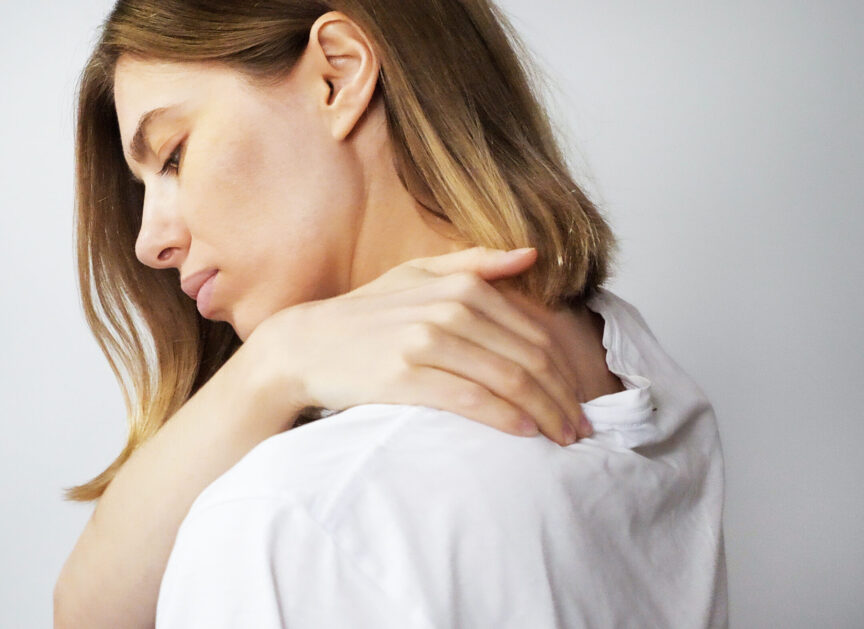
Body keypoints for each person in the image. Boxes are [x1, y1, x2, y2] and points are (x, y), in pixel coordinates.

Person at [54, 1, 728, 628]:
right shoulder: (637, 370)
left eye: (173, 155)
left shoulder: (289, 518)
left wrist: (274, 366)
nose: (149, 242)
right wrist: (271, 364)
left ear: (338, 75)